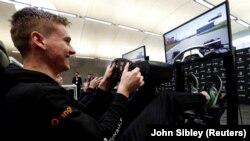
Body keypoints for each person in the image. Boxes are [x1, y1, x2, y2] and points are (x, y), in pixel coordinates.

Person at [0, 7, 223, 140]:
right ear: (39, 40)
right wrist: (123, 92)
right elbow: (104, 135)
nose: (72, 50)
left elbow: (83, 116)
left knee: (147, 95)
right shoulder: (39, 95)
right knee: (164, 100)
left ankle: (199, 98)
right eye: (66, 41)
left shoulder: (26, 86)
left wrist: (105, 89)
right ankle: (204, 97)